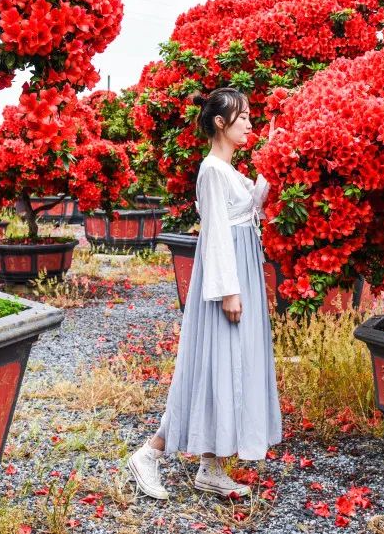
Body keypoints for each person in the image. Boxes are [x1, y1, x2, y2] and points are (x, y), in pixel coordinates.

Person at [126, 87, 283, 500]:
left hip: (241, 272)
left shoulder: (230, 171)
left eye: (250, 116)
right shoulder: (212, 170)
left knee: (226, 367)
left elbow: (250, 208)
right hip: (226, 281)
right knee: (208, 367)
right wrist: (229, 291)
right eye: (243, 116)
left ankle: (211, 467)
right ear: (220, 122)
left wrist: (272, 152)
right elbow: (214, 234)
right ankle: (150, 453)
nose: (249, 122)